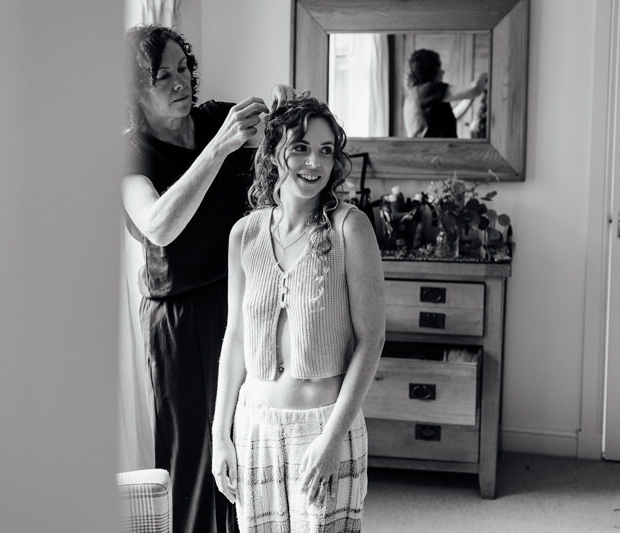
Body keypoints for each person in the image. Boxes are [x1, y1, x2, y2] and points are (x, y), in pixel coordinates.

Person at [121, 24, 295, 533]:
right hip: (179, 319)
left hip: (244, 300)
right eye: (163, 76)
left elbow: (285, 155)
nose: (181, 83)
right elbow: (159, 226)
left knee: (253, 435)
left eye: (184, 69)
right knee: (196, 451)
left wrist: (284, 116)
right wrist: (218, 149)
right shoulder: (129, 153)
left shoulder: (218, 118)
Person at [211, 96, 386, 532]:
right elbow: (234, 339)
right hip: (255, 429)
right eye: (301, 147)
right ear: (274, 153)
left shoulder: (350, 227)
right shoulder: (244, 234)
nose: (315, 162)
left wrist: (332, 440)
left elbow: (371, 340)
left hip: (325, 427)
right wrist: (220, 435)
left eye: (326, 150)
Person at [403, 48, 488, 138]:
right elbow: (475, 89)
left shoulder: (415, 95)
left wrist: (469, 98)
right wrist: (487, 75)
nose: (442, 72)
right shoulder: (429, 90)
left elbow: (452, 116)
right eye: (439, 68)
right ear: (432, 71)